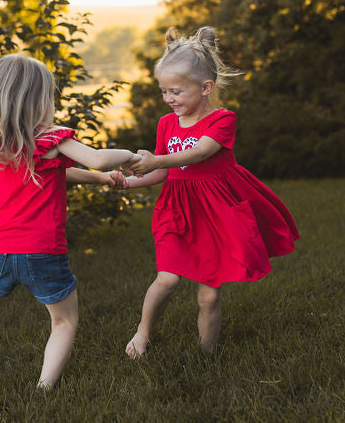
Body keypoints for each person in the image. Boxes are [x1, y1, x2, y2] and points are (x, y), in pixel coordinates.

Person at [0, 53, 134, 388]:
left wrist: (101, 179)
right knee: (64, 321)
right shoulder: (50, 139)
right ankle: (45, 387)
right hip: (42, 250)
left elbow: (56, 174)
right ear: (39, 99)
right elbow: (96, 158)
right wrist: (131, 156)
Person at [116, 26, 299, 358]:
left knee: (209, 295)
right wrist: (127, 181)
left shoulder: (222, 120)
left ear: (205, 88)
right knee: (167, 280)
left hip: (215, 214)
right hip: (176, 211)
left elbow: (199, 153)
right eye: (163, 91)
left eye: (176, 91)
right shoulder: (166, 124)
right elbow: (161, 172)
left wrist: (157, 159)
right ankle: (142, 333)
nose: (168, 99)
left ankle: (206, 354)